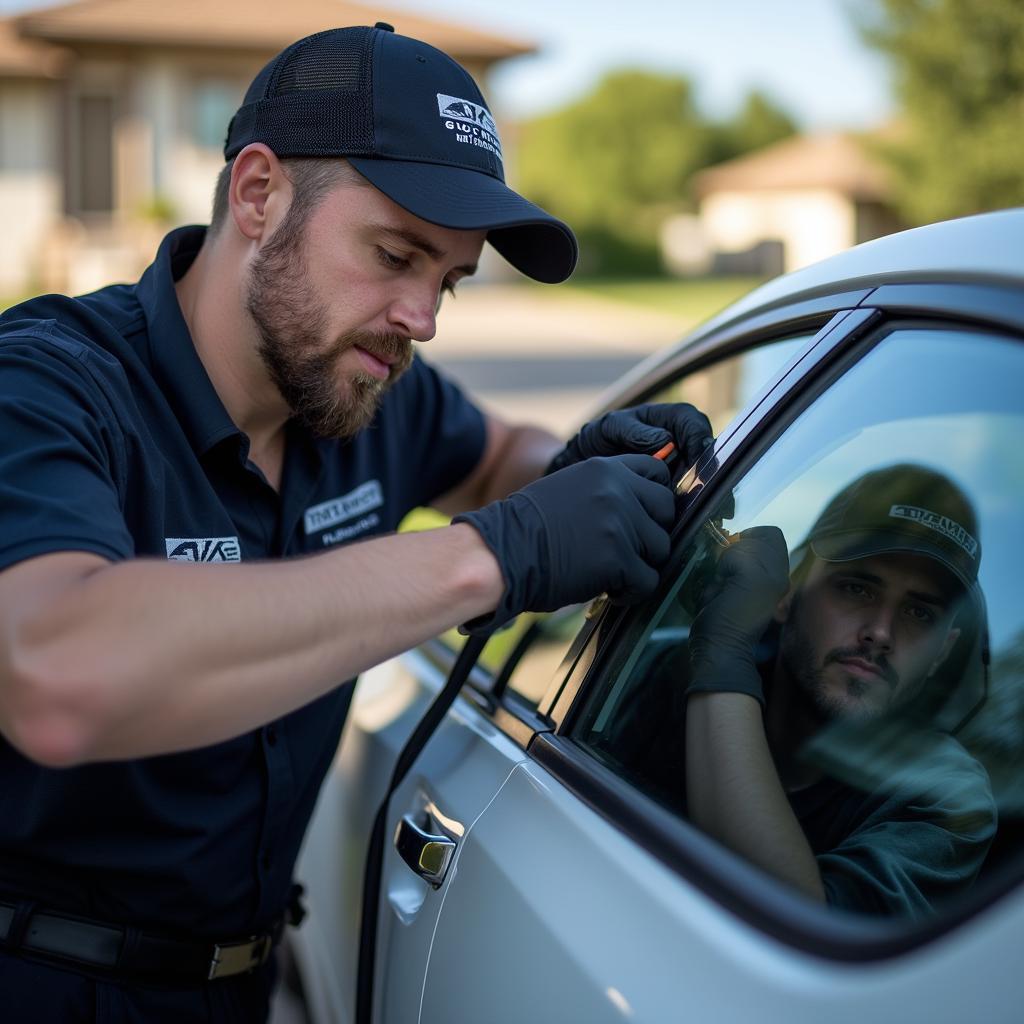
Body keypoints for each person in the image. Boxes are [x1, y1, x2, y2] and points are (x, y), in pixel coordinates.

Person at [0, 24, 713, 1023]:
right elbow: (55, 674)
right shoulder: (44, 383)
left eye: (449, 280)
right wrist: (495, 556)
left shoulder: (362, 390)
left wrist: (584, 468)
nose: (420, 317)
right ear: (259, 195)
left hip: (247, 988)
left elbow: (501, 461)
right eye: (394, 255)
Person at [685, 464, 996, 916]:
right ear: (787, 593)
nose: (881, 633)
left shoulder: (946, 797)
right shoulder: (664, 672)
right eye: (857, 588)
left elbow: (807, 929)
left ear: (943, 653)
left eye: (920, 614)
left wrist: (722, 658)